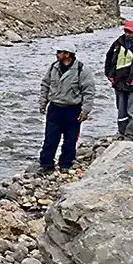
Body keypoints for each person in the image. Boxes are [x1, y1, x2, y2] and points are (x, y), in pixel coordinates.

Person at [38, 40, 95, 173]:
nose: (56, 54)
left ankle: (65, 164)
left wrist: (85, 110)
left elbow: (89, 91)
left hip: (73, 110)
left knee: (70, 139)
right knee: (50, 139)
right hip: (55, 108)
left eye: (59, 52)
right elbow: (45, 84)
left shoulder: (82, 69)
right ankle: (46, 164)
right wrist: (42, 102)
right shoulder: (53, 67)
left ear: (68, 54)